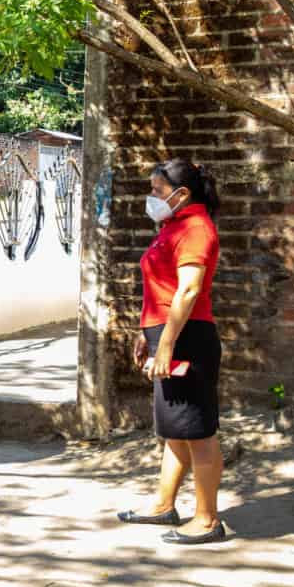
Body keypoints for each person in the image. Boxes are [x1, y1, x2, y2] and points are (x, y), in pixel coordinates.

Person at [117, 158, 225, 545]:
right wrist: (144, 333)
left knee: (198, 431)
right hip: (168, 334)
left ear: (181, 194)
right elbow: (160, 290)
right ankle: (165, 505)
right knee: (176, 430)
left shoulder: (195, 229)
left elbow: (189, 290)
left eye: (157, 190)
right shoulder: (172, 227)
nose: (151, 197)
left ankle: (208, 519)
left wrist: (165, 344)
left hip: (187, 339)